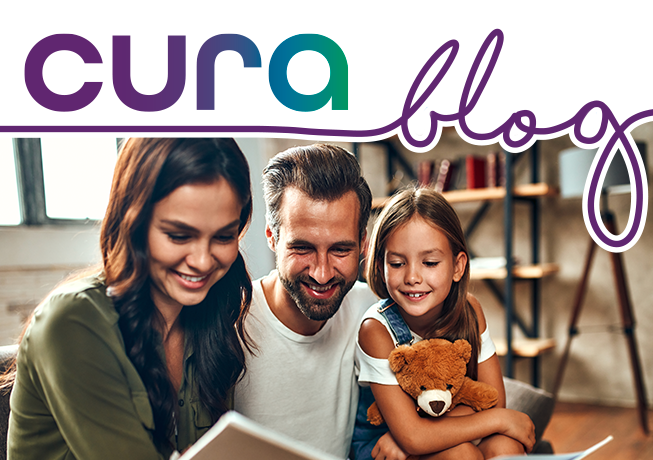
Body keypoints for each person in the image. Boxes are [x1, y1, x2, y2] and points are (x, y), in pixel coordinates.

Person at [2, 138, 254, 460]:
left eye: (223, 236)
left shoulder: (210, 318)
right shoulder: (72, 319)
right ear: (133, 223)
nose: (203, 261)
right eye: (178, 236)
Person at [353, 187, 535, 460]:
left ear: (457, 266)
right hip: (386, 449)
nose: (413, 277)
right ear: (381, 267)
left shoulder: (470, 310)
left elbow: (493, 398)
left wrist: (424, 429)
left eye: (430, 262)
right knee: (462, 455)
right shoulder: (376, 330)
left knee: (506, 447)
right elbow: (413, 438)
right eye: (398, 263)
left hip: (430, 435)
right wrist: (500, 420)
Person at [232, 144, 379, 458]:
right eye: (303, 248)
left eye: (341, 250)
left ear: (363, 243)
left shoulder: (373, 314)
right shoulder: (232, 321)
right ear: (272, 236)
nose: (323, 274)